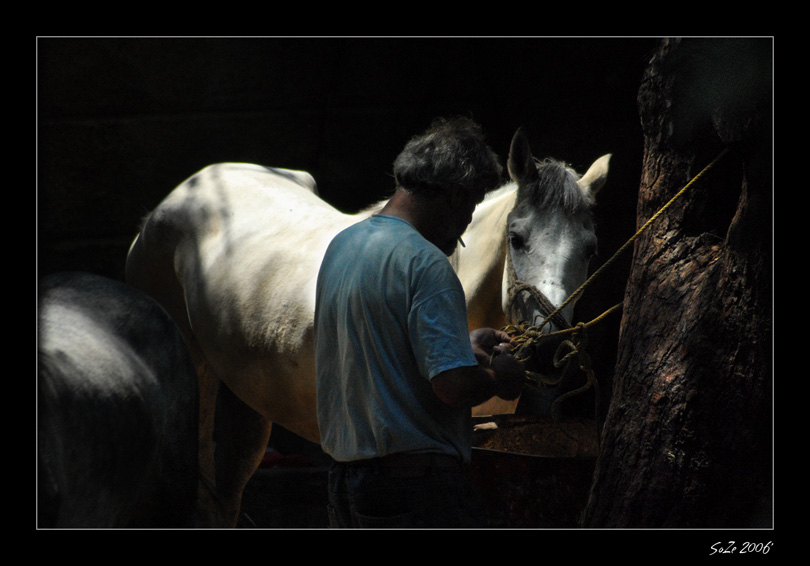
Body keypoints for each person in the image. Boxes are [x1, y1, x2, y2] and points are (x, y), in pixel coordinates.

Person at [314, 117, 525, 528]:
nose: (467, 224)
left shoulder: (343, 246)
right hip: (413, 491)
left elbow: (380, 352)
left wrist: (459, 345)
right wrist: (501, 377)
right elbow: (452, 387)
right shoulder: (426, 264)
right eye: (472, 205)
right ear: (455, 194)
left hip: (344, 484)